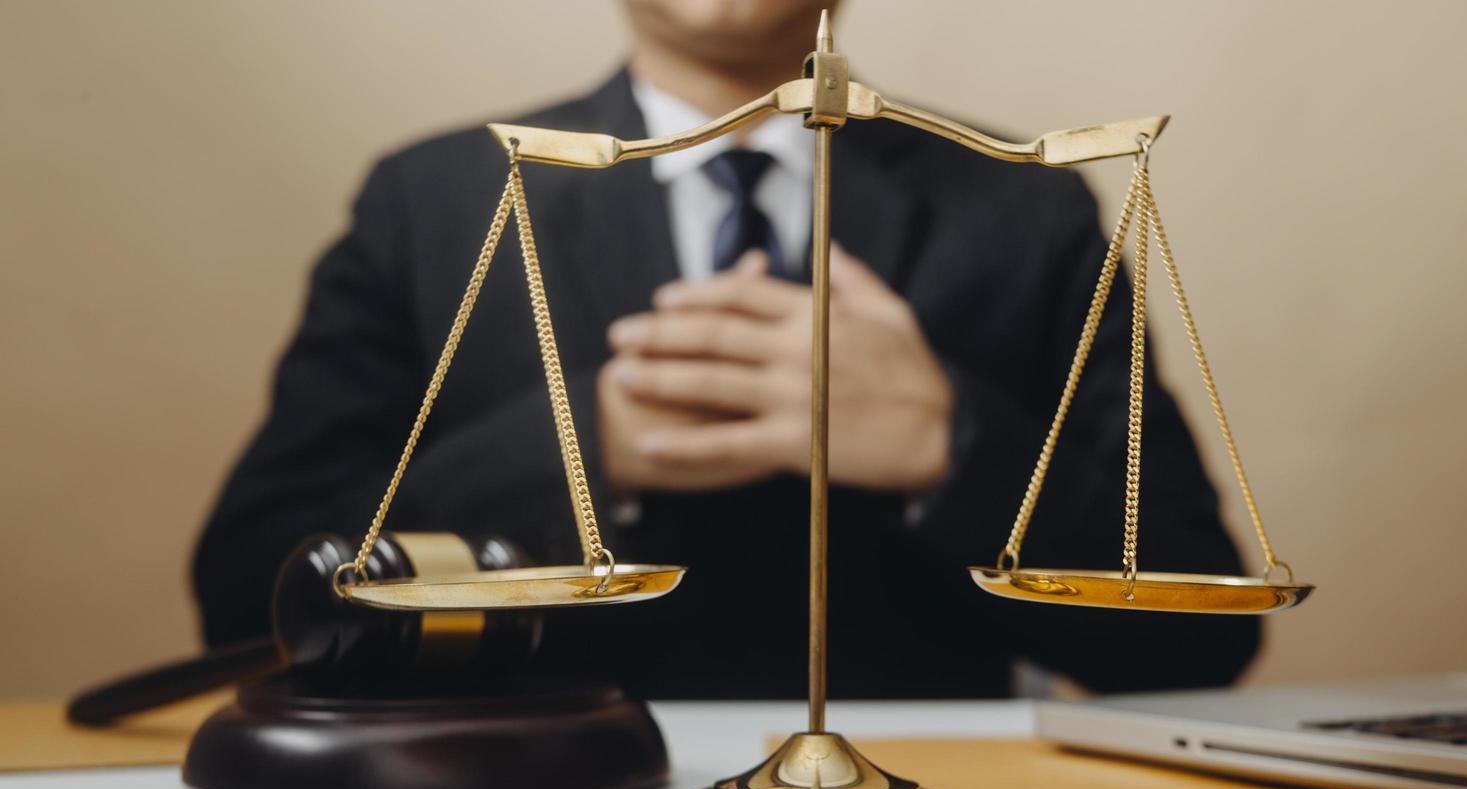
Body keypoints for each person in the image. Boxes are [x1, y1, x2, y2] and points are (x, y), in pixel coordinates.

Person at [194, 0, 1260, 699]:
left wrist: (954, 448)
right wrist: (575, 454)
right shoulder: (432, 204)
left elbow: (1201, 632)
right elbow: (248, 593)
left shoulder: (1022, 213)